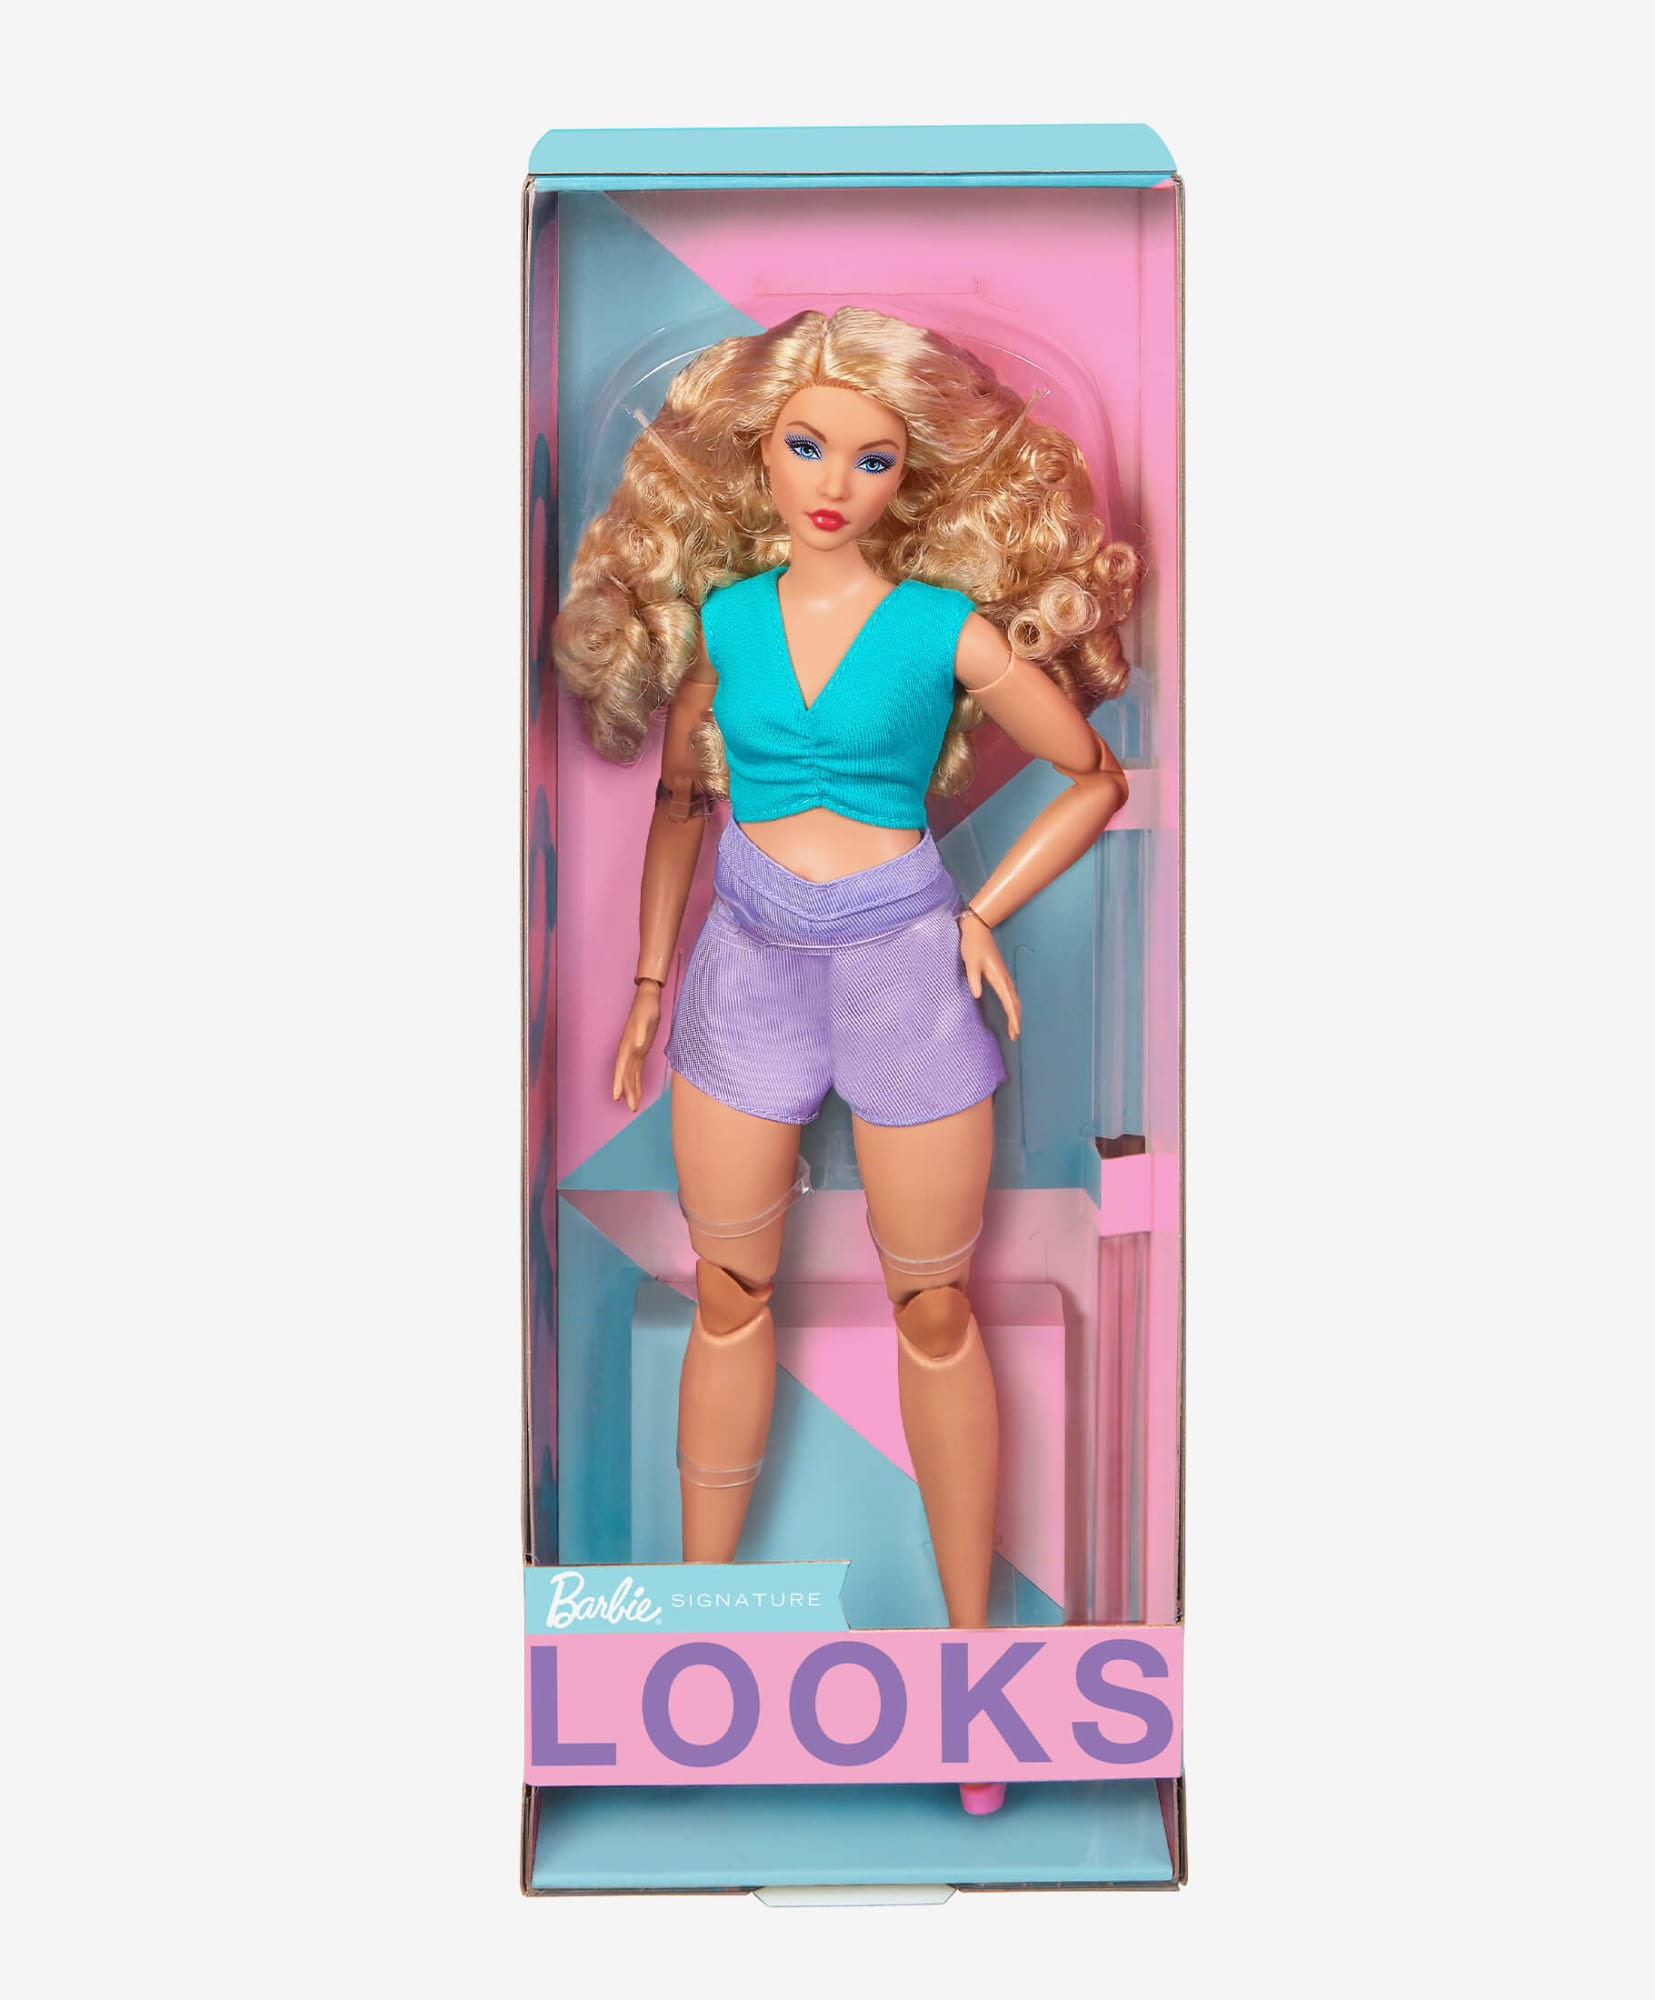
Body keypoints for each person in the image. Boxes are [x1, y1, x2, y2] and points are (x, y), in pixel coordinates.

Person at [552, 307, 1137, 1811]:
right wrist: (645, 982)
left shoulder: (948, 628)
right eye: (807, 446)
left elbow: (1091, 774)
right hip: (746, 965)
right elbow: (682, 804)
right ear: (756, 451)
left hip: (903, 965)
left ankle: (975, 1679)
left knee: (936, 1308)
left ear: (909, 477)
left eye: (871, 459)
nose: (834, 482)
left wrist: (981, 914)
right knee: (725, 1291)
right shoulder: (727, 622)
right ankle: (690, 1660)